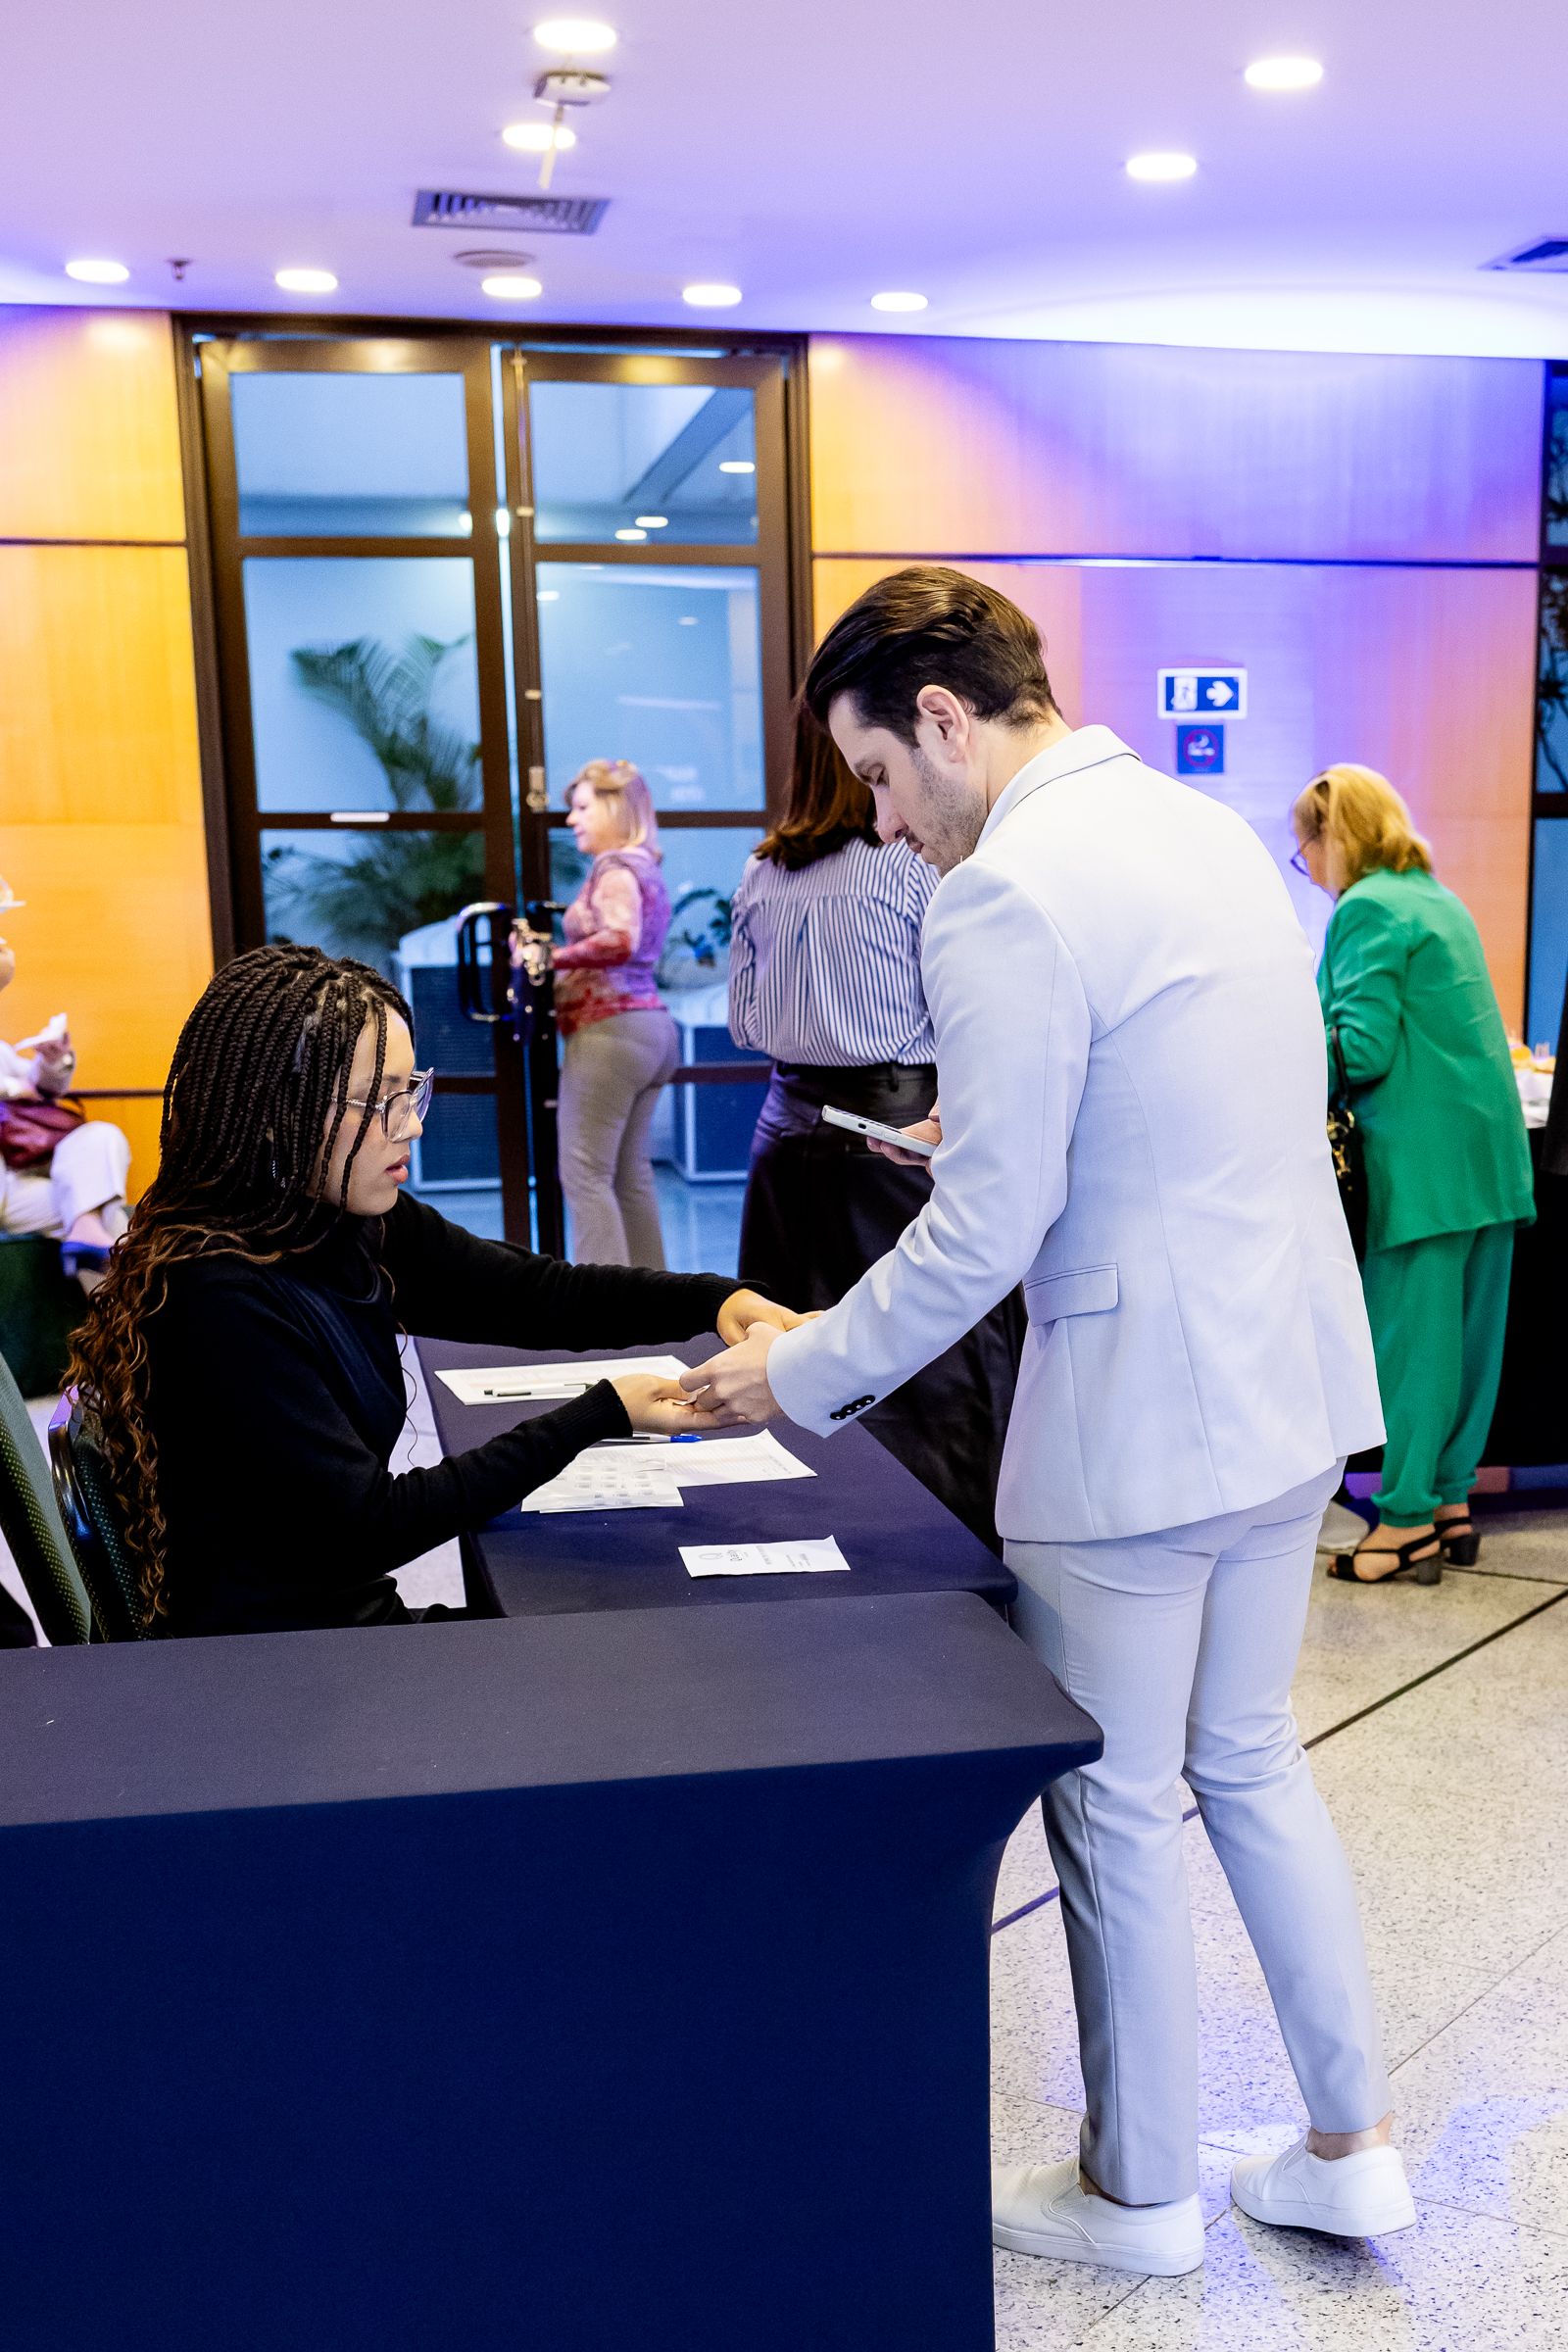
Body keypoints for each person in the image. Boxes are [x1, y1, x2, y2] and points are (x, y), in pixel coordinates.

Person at [683, 565, 1415, 2272]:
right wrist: (1018, 1130)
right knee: (1250, 1758)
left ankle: (1139, 2190)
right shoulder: (1204, 832)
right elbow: (1215, 1096)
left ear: (943, 719)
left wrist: (801, 1369)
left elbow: (985, 1237)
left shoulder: (1004, 886)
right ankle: (1352, 2143)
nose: (887, 818)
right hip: (1292, 1384)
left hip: (1141, 1419)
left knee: (1116, 1798)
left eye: (880, 773)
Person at [66, 944, 800, 1640]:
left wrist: (714, 1300)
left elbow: (534, 1293)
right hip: (291, 1666)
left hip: (336, 1627)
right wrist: (601, 1412)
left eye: (409, 1091)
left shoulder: (340, 1219)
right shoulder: (217, 1294)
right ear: (277, 1113)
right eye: (375, 1100)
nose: (411, 1124)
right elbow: (370, 1527)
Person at [728, 701, 1022, 1546]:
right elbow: (964, 1011)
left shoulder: (762, 871)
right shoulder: (913, 868)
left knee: (788, 1353)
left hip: (785, 1135)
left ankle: (814, 1545)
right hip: (894, 1133)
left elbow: (743, 1023)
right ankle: (946, 1552)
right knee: (930, 1363)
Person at [1294, 764, 1535, 1583]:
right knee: (1469, 1345)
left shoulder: (1367, 906)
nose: (1306, 862)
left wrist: (1283, 1056)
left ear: (1336, 836)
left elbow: (1360, 1048)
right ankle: (1450, 1502)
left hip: (1421, 1166)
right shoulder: (1437, 898)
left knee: (1413, 1350)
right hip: (1488, 1160)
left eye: (1305, 845)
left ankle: (1402, 1524)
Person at [545, 760, 679, 1267]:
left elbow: (621, 938)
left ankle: (598, 1306)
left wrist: (550, 958)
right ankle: (653, 1299)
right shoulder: (644, 865)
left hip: (610, 1032)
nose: (571, 820)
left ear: (614, 808)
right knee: (629, 1176)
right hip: (650, 1029)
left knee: (585, 1175)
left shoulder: (615, 868)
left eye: (582, 808)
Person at [0, 926, 130, 1282]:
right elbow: (21, 1087)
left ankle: (86, 1232)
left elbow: (42, 1088)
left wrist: (54, 1059)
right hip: (6, 1191)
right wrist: (13, 1088)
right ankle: (130, 1317)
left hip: (22, 1180)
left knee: (102, 1136)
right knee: (107, 1216)